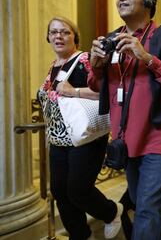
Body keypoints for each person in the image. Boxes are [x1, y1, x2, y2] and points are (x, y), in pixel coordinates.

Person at [87, 0, 161, 240]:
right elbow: (98, 86)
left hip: (159, 139)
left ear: (148, 4)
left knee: (146, 209)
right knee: (148, 207)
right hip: (127, 141)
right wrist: (96, 66)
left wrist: (147, 57)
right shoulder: (111, 39)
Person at [37, 16, 123, 240]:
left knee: (78, 190)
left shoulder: (84, 59)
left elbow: (108, 93)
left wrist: (73, 91)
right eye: (54, 32)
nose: (59, 36)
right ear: (48, 37)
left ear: (75, 36)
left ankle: (112, 211)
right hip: (58, 140)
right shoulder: (53, 66)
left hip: (86, 137)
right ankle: (81, 236)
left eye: (65, 32)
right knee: (61, 193)